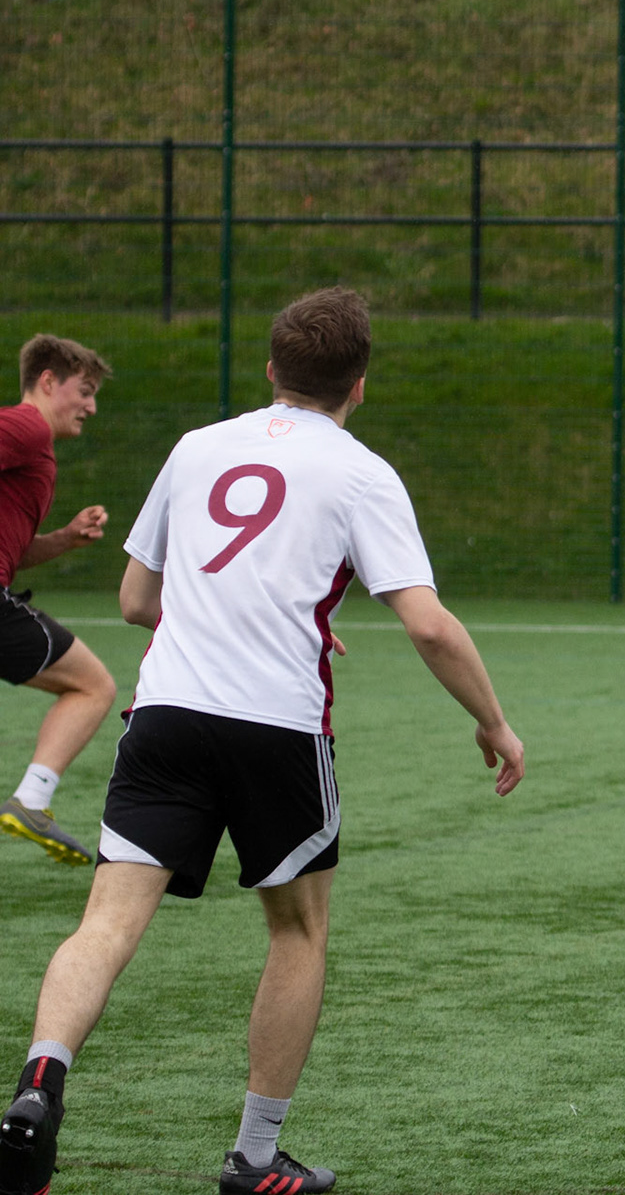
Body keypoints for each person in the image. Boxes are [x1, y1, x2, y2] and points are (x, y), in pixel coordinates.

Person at [0, 288, 526, 1195]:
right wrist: (494, 720)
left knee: (108, 922)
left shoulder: (198, 447)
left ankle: (37, 1089)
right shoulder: (362, 472)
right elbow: (430, 627)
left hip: (164, 718)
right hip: (277, 728)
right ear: (359, 384)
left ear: (271, 370)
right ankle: (253, 1157)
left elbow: (136, 603)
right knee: (297, 930)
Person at [0, 335, 120, 869]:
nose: (91, 407)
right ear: (47, 382)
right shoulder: (26, 426)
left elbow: (14, 553)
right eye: (85, 391)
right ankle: (32, 800)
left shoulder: (33, 449)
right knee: (93, 686)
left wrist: (66, 538)